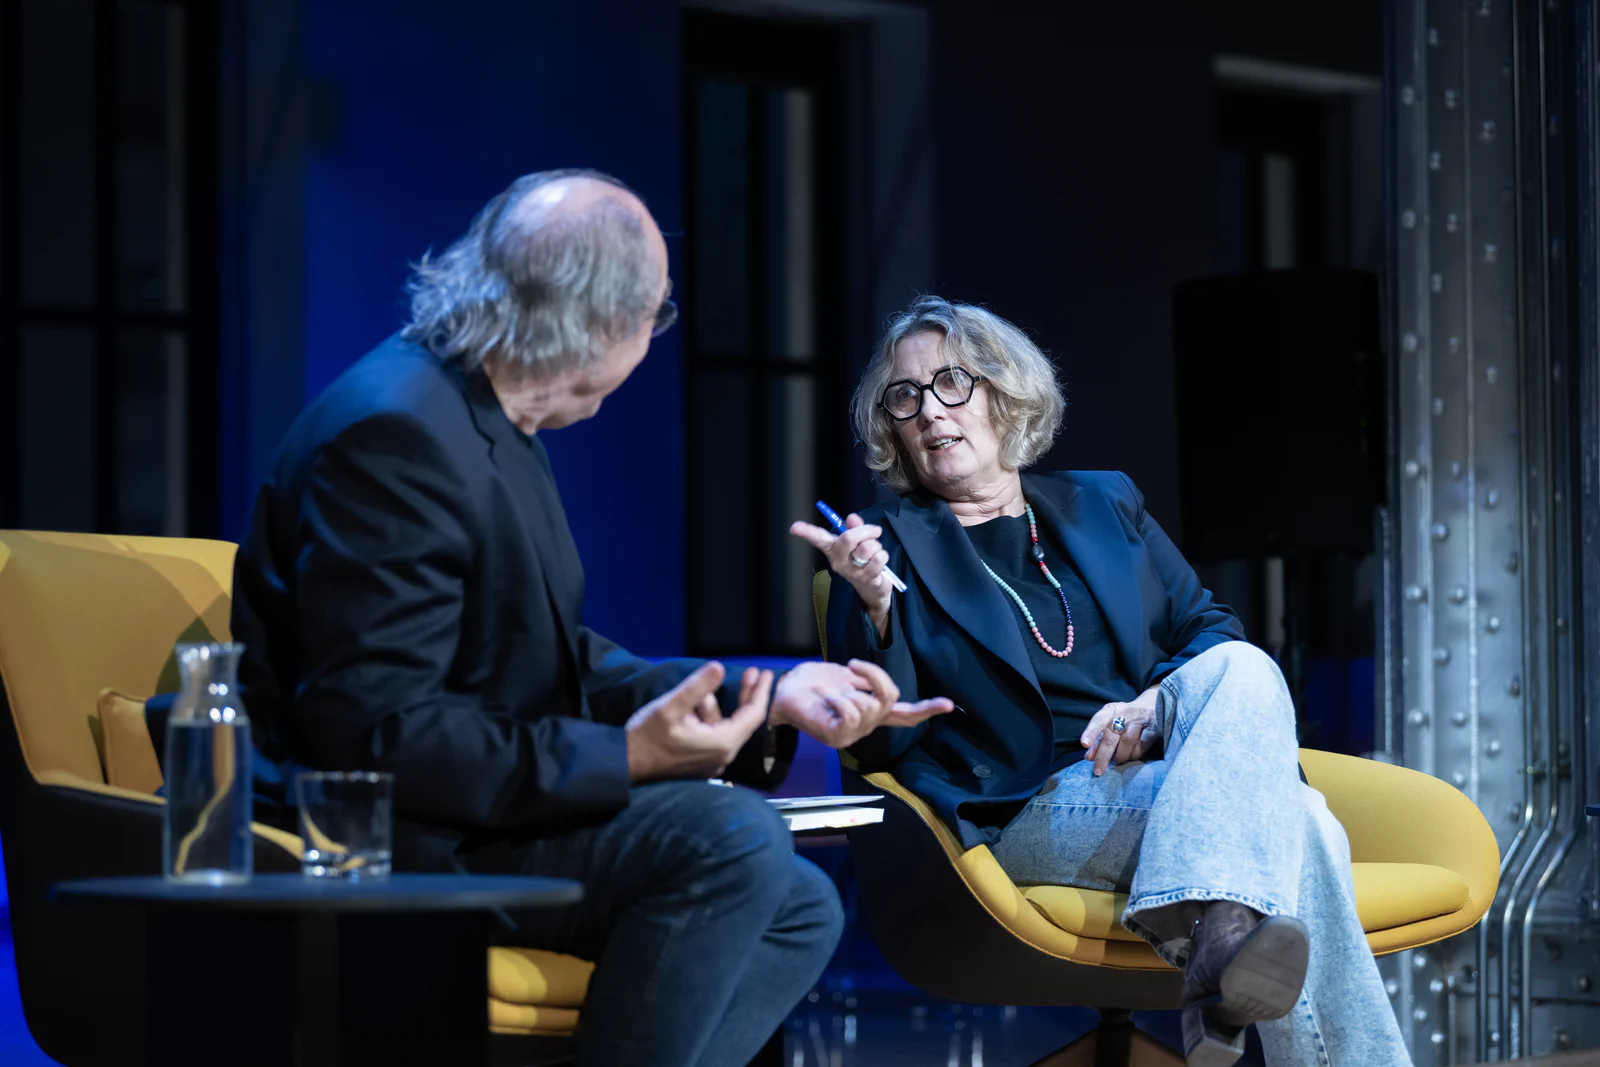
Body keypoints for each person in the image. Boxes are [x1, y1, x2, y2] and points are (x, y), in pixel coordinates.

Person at [230, 169, 953, 1067]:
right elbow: (378, 734)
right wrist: (629, 757)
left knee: (801, 905)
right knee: (734, 839)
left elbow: (554, 659)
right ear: (593, 328)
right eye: (654, 316)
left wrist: (766, 694)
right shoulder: (398, 437)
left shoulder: (482, 416)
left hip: (472, 809)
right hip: (397, 841)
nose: (655, 337)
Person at [791, 295, 1410, 1066]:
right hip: (1028, 804)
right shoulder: (888, 552)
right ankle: (1222, 951)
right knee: (1303, 820)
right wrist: (877, 607)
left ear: (1004, 394)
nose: (927, 410)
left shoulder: (1103, 502)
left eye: (951, 382)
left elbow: (1210, 629)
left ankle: (1218, 955)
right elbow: (878, 742)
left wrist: (1153, 709)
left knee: (1243, 664)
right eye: (905, 395)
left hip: (1161, 775)